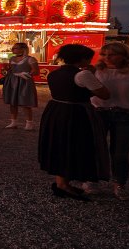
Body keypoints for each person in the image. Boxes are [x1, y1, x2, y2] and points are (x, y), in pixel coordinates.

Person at [38, 44, 110, 200]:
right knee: (74, 145)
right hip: (76, 113)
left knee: (60, 145)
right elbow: (104, 94)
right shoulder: (83, 75)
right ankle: (64, 184)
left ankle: (61, 183)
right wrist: (93, 75)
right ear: (82, 58)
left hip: (55, 110)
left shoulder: (54, 74)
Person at [92, 42, 129, 200]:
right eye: (104, 54)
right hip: (99, 112)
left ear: (124, 56)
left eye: (112, 54)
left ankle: (119, 184)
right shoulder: (96, 70)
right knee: (95, 148)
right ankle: (92, 180)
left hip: (126, 113)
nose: (107, 58)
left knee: (120, 153)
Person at [2, 42, 39, 130]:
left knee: (25, 102)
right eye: (13, 48)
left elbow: (36, 71)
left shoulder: (30, 59)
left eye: (15, 48)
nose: (13, 49)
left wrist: (26, 74)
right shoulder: (12, 58)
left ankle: (29, 123)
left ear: (23, 49)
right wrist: (6, 70)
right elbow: (10, 70)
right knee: (12, 102)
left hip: (24, 81)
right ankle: (13, 122)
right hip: (12, 81)